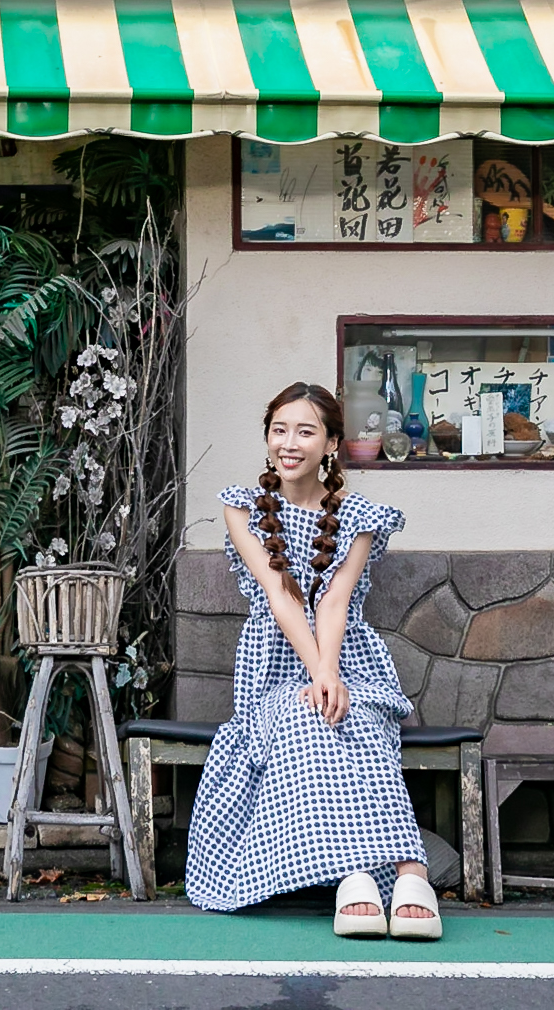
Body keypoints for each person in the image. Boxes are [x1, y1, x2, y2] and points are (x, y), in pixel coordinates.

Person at [184, 381, 439, 939]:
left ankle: (404, 871)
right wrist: (318, 672)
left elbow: (335, 598)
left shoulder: (359, 515)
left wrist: (331, 669)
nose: (289, 443)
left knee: (359, 721)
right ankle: (359, 876)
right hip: (272, 664)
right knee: (307, 717)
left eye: (305, 431)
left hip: (351, 657)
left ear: (331, 444)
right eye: (279, 430)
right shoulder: (243, 506)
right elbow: (281, 595)